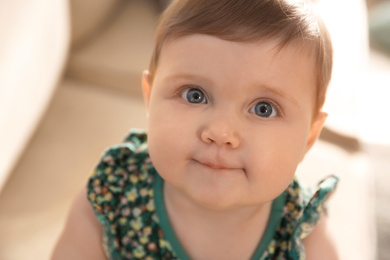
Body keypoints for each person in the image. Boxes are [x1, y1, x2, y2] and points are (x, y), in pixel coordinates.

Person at [51, 0, 339, 259]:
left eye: (263, 108)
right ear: (150, 99)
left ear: (309, 137)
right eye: (194, 95)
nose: (221, 132)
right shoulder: (111, 197)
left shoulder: (302, 232)